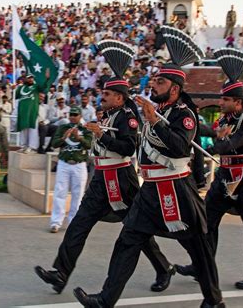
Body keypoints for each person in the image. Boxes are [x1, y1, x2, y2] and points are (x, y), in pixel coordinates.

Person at [73, 68, 224, 307]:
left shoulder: (184, 115)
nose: (153, 85)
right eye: (153, 81)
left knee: (198, 248)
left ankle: (214, 301)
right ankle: (105, 300)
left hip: (177, 188)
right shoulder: (160, 110)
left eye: (160, 82)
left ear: (174, 88)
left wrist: (154, 121)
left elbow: (179, 147)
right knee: (128, 240)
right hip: (151, 188)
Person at [35, 76, 174, 297]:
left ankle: (163, 267)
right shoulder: (109, 114)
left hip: (121, 179)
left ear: (119, 98)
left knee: (137, 231)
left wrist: (101, 135)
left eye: (107, 94)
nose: (102, 97)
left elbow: (128, 148)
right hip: (101, 179)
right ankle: (60, 273)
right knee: (79, 224)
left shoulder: (128, 118)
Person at [176, 48, 243, 292]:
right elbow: (213, 140)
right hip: (224, 178)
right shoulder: (223, 121)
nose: (222, 102)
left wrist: (219, 143)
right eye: (222, 98)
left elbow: (232, 143)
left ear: (238, 101)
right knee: (206, 223)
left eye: (226, 100)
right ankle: (200, 265)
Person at [49, 106, 92, 233]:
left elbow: (90, 144)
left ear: (80, 116)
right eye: (71, 114)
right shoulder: (63, 128)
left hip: (79, 164)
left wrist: (79, 138)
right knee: (59, 192)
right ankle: (56, 222)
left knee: (78, 195)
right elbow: (54, 144)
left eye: (75, 115)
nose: (73, 117)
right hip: (64, 163)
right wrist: (63, 138)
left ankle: (73, 222)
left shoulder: (85, 129)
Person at [15, 73, 50, 153]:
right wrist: (14, 88)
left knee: (32, 129)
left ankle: (32, 146)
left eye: (32, 78)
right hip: (23, 111)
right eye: (29, 78)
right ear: (25, 79)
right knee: (23, 129)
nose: (31, 79)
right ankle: (23, 146)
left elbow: (43, 88)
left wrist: (46, 79)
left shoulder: (36, 87)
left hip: (32, 112)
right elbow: (16, 96)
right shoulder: (21, 87)